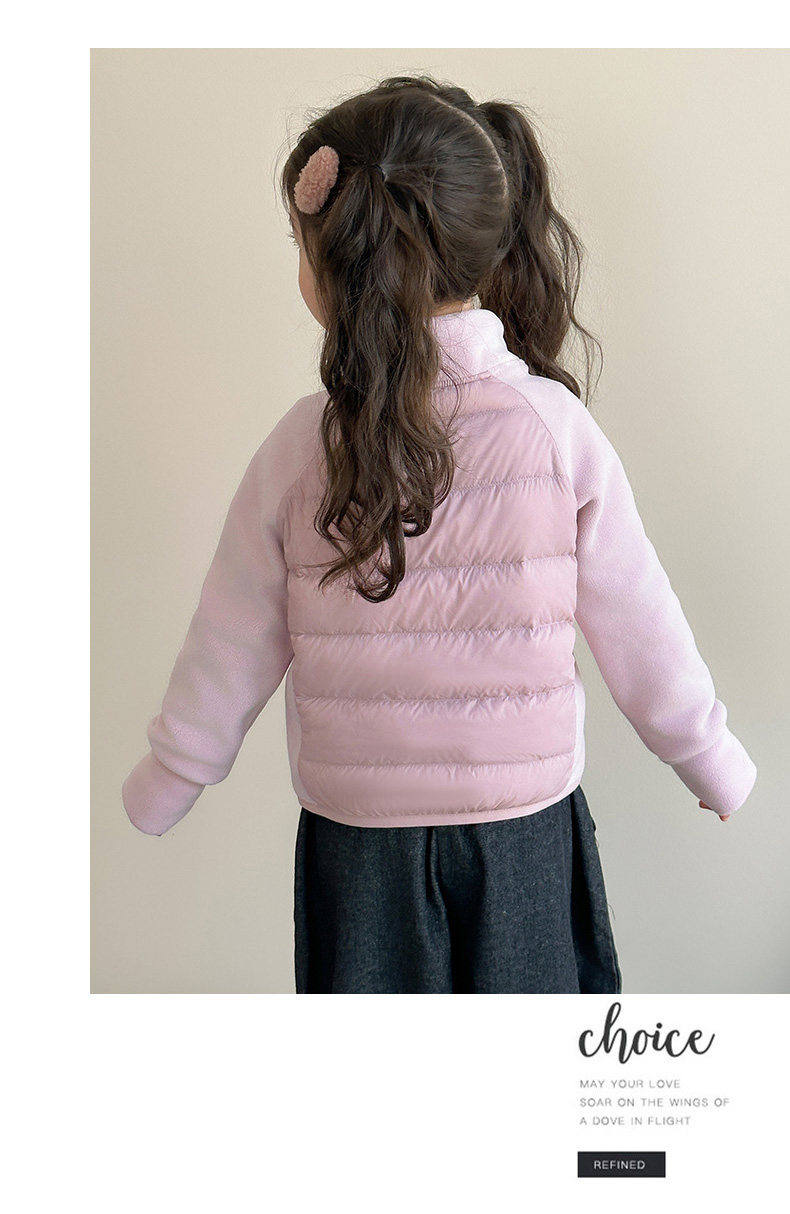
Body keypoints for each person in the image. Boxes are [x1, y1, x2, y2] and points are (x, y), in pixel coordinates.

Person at [122, 74, 757, 994]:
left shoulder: (301, 446)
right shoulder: (554, 431)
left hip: (361, 850)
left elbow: (231, 635)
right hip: (522, 836)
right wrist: (709, 760)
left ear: (337, 266)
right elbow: (641, 620)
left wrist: (172, 777)